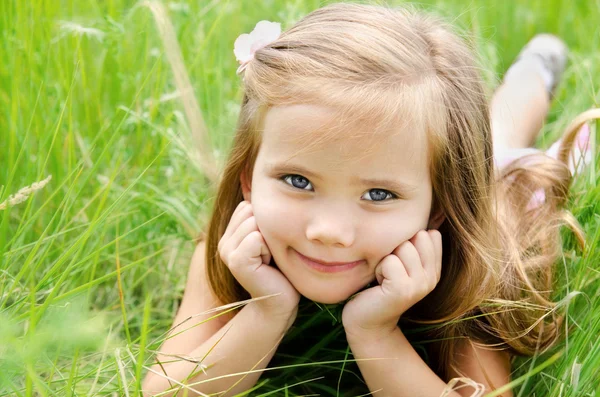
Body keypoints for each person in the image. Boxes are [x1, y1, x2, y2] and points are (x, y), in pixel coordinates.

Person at [142, 3, 596, 396]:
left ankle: (533, 73)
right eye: (298, 181)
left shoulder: (471, 269)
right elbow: (163, 391)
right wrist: (266, 311)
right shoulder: (233, 248)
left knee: (521, 159)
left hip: (504, 193)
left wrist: (375, 333)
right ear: (248, 176)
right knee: (498, 140)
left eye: (378, 194)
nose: (329, 232)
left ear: (439, 205)